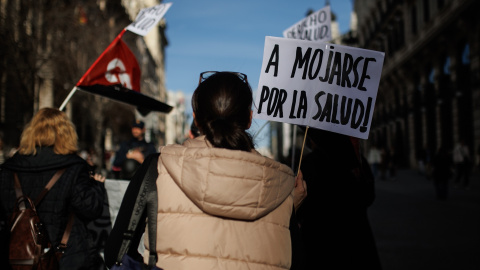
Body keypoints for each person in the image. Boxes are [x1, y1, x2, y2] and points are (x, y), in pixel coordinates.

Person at [105, 71, 306, 270]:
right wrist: (290, 209)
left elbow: (116, 254)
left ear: (196, 119)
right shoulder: (282, 185)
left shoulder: (158, 167)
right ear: (249, 119)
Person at [0, 107, 106, 269]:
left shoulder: (8, 169)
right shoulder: (74, 167)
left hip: (18, 257)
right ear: (67, 133)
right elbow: (89, 209)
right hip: (65, 256)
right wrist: (97, 186)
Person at [298, 128, 382, 269]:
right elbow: (368, 197)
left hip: (320, 244)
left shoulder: (310, 163)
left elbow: (302, 205)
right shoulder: (355, 160)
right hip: (356, 243)